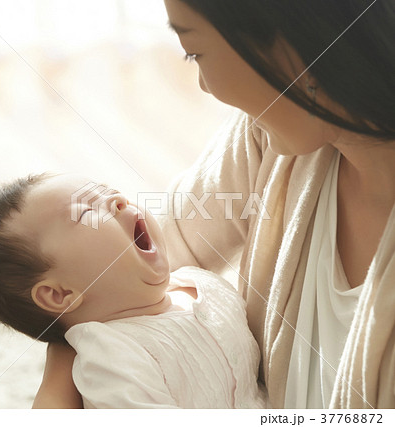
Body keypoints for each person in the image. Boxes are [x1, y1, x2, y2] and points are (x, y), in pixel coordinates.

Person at [33, 0, 395, 409]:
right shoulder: (271, 137)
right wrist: (79, 332)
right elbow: (116, 273)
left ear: (292, 43)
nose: (205, 85)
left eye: (194, 52)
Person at [0, 173, 268, 408]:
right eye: (84, 213)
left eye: (108, 192)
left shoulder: (202, 282)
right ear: (60, 294)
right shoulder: (110, 356)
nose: (119, 201)